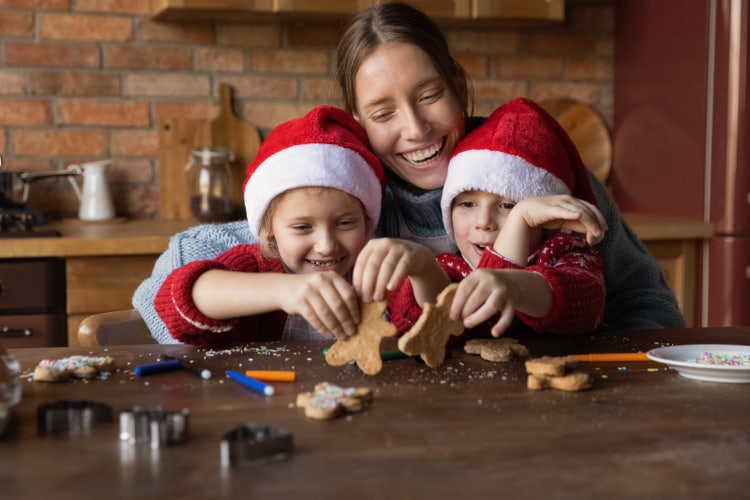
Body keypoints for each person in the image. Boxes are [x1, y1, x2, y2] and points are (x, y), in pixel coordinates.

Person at [134, 2, 683, 342]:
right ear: (360, 126)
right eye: (383, 113)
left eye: (429, 95)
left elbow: (647, 306)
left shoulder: (534, 175)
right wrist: (279, 295)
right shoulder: (346, 199)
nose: (416, 129)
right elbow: (163, 286)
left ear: (458, 85)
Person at [153, 105, 449, 346]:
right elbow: (176, 300)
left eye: (346, 223)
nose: (326, 245)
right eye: (302, 227)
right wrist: (285, 291)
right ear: (269, 229)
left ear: (368, 221)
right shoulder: (255, 267)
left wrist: (423, 267)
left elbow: (440, 330)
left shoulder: (382, 276)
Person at [439, 97, 606, 337]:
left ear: (546, 217)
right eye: (467, 203)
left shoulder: (566, 253)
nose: (483, 221)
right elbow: (437, 327)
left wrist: (515, 285)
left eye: (508, 205)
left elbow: (585, 305)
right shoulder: (450, 270)